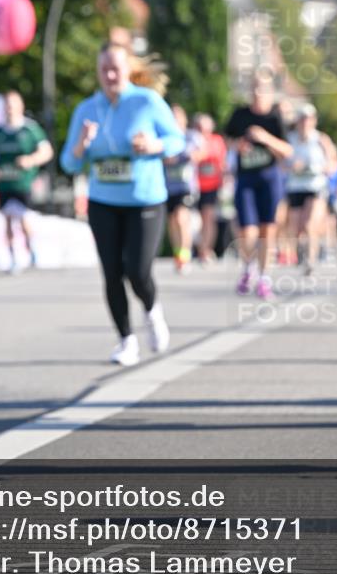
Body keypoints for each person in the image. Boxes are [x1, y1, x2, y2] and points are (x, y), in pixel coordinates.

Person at [60, 42, 185, 366]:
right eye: (104, 69)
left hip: (145, 198)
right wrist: (80, 146)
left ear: (128, 69)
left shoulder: (147, 101)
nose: (110, 75)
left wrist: (154, 144)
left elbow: (177, 141)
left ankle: (152, 311)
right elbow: (69, 164)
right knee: (112, 272)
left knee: (138, 270)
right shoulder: (86, 109)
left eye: (116, 68)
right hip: (103, 201)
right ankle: (126, 340)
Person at [223, 74, 293, 299]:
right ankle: (249, 266)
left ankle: (264, 278)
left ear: (270, 92)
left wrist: (265, 138)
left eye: (262, 89)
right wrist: (238, 145)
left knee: (268, 231)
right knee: (247, 232)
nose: (257, 93)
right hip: (246, 180)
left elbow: (287, 150)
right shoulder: (240, 115)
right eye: (254, 88)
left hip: (269, 179)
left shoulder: (275, 116)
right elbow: (225, 140)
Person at [0, 91, 53, 272]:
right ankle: (13, 257)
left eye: (13, 104)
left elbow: (46, 151)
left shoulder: (30, 129)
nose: (10, 108)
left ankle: (32, 251)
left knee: (24, 218)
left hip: (23, 184)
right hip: (4, 183)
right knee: (6, 220)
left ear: (21, 106)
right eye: (7, 105)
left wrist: (31, 160)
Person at [284, 104, 337, 275]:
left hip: (316, 186)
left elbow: (334, 163)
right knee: (297, 228)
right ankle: (301, 252)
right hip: (295, 187)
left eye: (308, 119)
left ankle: (311, 259)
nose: (305, 122)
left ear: (313, 120)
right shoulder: (289, 139)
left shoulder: (321, 139)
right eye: (302, 118)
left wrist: (326, 168)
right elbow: (280, 164)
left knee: (310, 224)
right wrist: (292, 167)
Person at [163, 105, 201, 274]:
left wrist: (187, 156)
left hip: (186, 186)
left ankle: (186, 254)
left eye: (177, 117)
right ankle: (178, 254)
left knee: (181, 217)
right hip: (168, 186)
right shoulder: (164, 137)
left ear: (184, 119)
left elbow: (201, 152)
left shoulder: (191, 136)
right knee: (172, 221)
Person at [192, 113, 227, 262]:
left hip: (211, 186)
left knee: (208, 217)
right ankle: (195, 248)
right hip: (193, 186)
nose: (202, 131)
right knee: (194, 219)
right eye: (199, 127)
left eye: (205, 127)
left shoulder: (216, 140)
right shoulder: (191, 139)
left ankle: (205, 250)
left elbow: (219, 160)